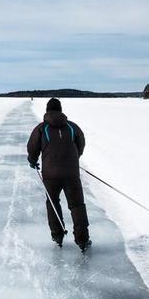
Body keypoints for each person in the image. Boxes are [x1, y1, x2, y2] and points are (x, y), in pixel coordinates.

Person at [27, 98, 91, 251]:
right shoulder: (72, 127)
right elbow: (80, 144)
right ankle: (82, 239)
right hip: (72, 174)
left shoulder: (41, 128)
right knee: (77, 205)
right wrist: (74, 158)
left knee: (53, 203)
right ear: (60, 110)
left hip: (50, 174)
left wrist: (32, 160)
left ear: (47, 111)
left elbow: (32, 146)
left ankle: (57, 235)